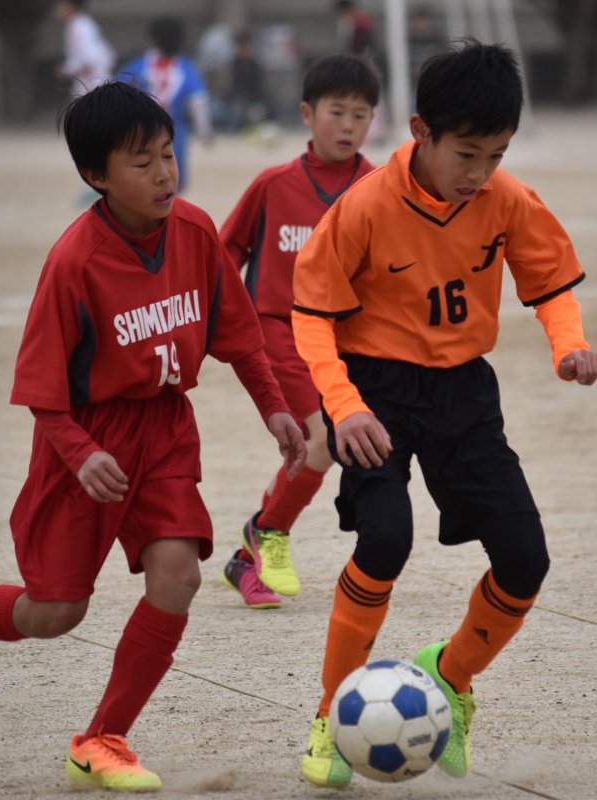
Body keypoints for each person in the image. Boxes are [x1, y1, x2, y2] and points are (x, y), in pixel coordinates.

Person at [0, 82, 306, 793]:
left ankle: (102, 739)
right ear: (95, 176)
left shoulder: (196, 231)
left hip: (164, 427)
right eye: (142, 162)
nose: (164, 173)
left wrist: (276, 409)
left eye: (168, 154)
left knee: (179, 576)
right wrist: (81, 454)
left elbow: (239, 336)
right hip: (84, 439)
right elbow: (41, 390)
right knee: (55, 612)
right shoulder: (74, 260)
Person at [292, 41, 597, 788]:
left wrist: (569, 345)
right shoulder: (364, 206)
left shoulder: (508, 199)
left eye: (496, 155)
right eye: (466, 154)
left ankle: (452, 677)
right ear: (420, 131)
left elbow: (550, 281)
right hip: (374, 393)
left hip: (464, 393)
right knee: (384, 541)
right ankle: (331, 715)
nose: (479, 173)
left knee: (526, 560)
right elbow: (311, 317)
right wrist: (344, 407)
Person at [218, 55, 379, 610]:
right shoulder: (272, 184)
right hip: (278, 331)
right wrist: (221, 318)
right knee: (324, 440)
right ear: (308, 115)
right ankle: (269, 534)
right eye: (337, 112)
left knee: (335, 444)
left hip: (342, 340)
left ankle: (250, 552)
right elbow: (225, 253)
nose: (348, 125)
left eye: (361, 115)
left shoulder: (378, 186)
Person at [118, 16, 215, 193]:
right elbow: (198, 101)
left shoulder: (139, 66)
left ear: (152, 39)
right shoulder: (186, 67)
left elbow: (115, 94)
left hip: (140, 136)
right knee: (172, 187)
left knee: (142, 186)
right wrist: (205, 132)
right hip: (173, 139)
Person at [57, 0, 116, 96]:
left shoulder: (76, 25)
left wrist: (66, 69)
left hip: (91, 83)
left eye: (61, 5)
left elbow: (87, 57)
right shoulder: (85, 22)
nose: (59, 9)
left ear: (70, 6)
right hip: (100, 80)